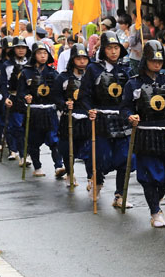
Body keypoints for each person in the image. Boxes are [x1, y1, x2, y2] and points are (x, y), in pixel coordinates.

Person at [120, 41, 165, 227]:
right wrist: (130, 116)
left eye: (160, 61)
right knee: (150, 176)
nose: (157, 64)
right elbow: (125, 107)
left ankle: (155, 200)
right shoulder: (133, 83)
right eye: (153, 60)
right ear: (146, 61)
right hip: (145, 134)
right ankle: (155, 211)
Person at [79, 31, 134, 207]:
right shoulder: (93, 69)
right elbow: (84, 95)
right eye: (109, 48)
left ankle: (120, 195)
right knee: (101, 157)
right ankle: (97, 179)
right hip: (101, 119)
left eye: (116, 48)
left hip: (122, 118)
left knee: (125, 158)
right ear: (103, 50)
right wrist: (90, 110)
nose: (113, 52)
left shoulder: (127, 70)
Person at [16, 42, 65, 178]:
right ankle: (37, 167)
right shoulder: (26, 72)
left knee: (54, 140)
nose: (42, 56)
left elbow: (58, 92)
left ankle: (59, 166)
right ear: (34, 55)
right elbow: (20, 92)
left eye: (45, 53)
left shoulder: (53, 73)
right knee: (33, 141)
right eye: (39, 53)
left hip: (49, 111)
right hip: (34, 111)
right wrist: (26, 97)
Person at [55, 43, 91, 188]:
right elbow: (55, 96)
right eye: (78, 58)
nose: (82, 61)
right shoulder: (63, 77)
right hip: (68, 117)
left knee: (90, 150)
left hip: (87, 117)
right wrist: (64, 104)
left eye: (84, 58)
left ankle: (91, 177)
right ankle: (69, 172)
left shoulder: (91, 76)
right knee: (67, 148)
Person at [0, 37, 30, 163]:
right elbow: (3, 83)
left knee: (29, 127)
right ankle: (22, 154)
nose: (21, 50)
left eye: (23, 48)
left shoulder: (30, 64)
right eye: (18, 48)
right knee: (18, 127)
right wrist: (6, 97)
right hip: (14, 98)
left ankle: (27, 152)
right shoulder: (6, 66)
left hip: (29, 99)